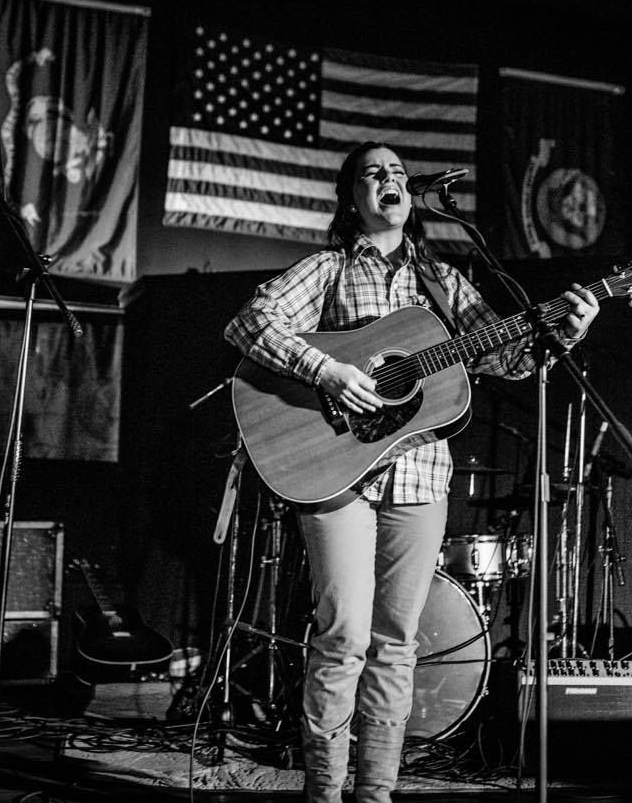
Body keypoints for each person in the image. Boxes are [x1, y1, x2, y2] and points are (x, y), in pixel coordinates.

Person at [223, 141, 600, 802]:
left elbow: (508, 356)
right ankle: (323, 793)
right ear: (353, 198)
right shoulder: (331, 267)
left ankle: (376, 794)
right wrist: (328, 370)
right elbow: (250, 322)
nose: (389, 179)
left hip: (421, 475)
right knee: (343, 635)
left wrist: (566, 328)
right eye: (373, 173)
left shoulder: (443, 282)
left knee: (397, 642)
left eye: (398, 172)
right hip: (337, 472)